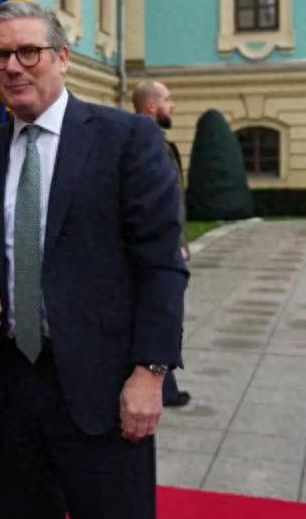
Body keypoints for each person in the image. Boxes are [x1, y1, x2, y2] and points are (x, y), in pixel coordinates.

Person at [0, 1, 188, 519]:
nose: (13, 66)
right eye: (0, 56)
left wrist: (151, 373)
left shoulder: (127, 140)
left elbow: (161, 266)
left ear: (62, 57)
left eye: (29, 52)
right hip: (15, 388)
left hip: (106, 388)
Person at [133, 80, 192, 408]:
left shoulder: (144, 140)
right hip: (162, 248)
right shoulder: (148, 144)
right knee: (163, 312)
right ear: (152, 106)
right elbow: (163, 204)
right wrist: (176, 243)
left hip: (162, 245)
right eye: (168, 100)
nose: (173, 106)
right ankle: (162, 386)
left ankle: (164, 384)